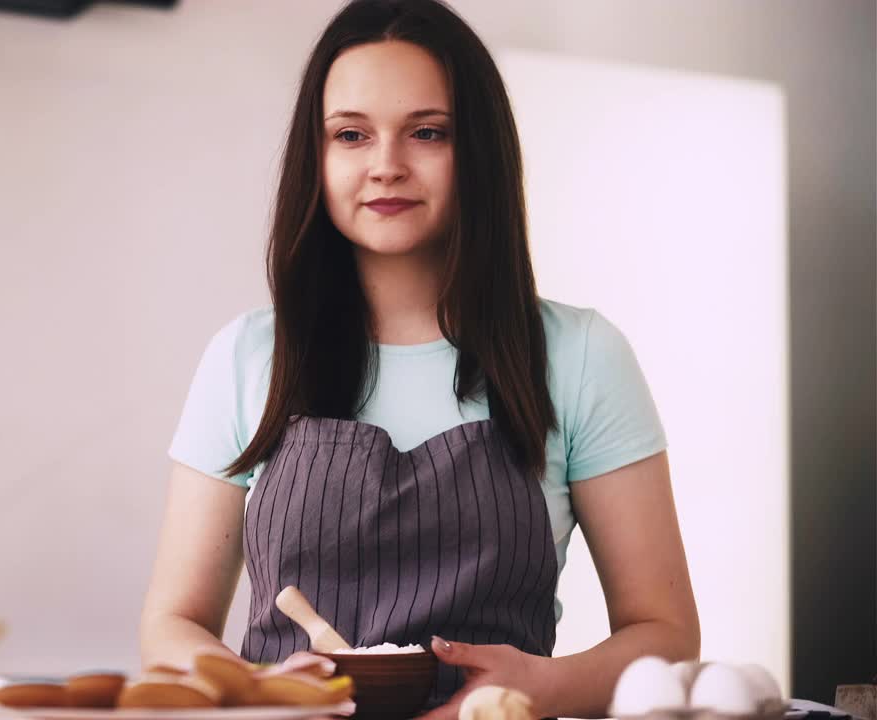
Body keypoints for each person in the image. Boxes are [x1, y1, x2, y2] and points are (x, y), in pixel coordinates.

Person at [138, 0, 700, 717]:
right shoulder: (248, 355)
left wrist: (539, 685)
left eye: (427, 133)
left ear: (480, 152)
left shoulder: (581, 355)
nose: (386, 166)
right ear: (319, 156)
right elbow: (171, 625)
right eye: (351, 135)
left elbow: (667, 632)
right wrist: (261, 690)